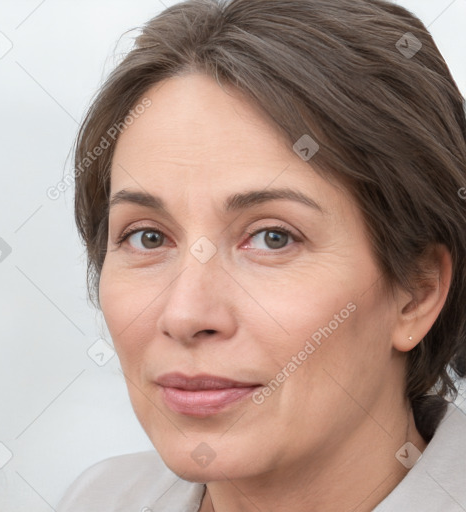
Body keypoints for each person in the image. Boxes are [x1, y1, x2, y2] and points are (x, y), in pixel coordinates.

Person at [57, 0, 466, 510]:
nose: (184, 315)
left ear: (417, 293)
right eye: (148, 237)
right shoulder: (98, 499)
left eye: (273, 237)